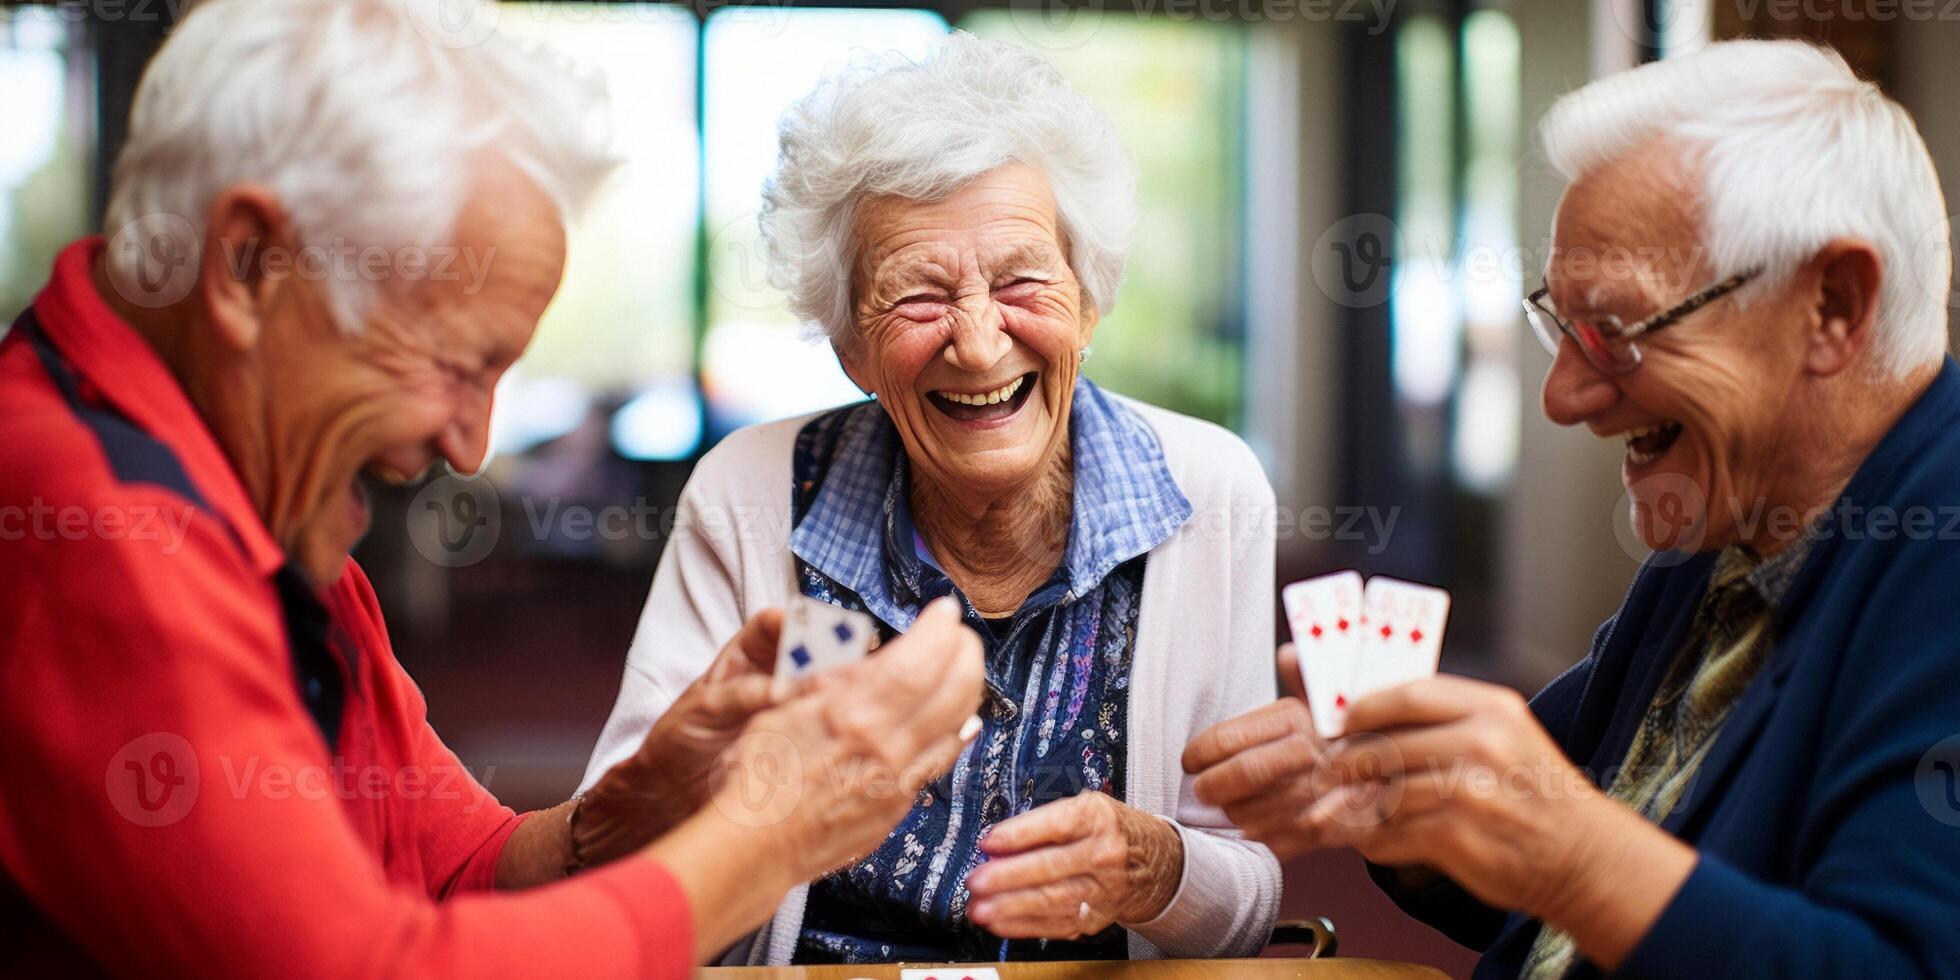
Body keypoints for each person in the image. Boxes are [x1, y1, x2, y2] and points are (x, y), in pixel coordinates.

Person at [0, 1, 984, 975]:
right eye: (457, 363)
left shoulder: (258, 495)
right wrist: (773, 830)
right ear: (251, 264)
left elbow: (457, 869)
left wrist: (643, 806)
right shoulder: (89, 523)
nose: (469, 446)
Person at [1184, 39, 1960, 980]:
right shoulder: (1727, 523)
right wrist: (1407, 809)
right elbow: (1524, 887)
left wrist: (1572, 846)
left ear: (1832, 305)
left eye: (1616, 331)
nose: (1561, 397)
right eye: (1558, 320)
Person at [580, 33, 1281, 966]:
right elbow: (617, 851)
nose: (981, 345)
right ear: (849, 347)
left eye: (1024, 278)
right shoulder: (749, 493)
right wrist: (759, 807)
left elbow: (1248, 907)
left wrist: (1159, 870)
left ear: (1089, 301)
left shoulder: (1211, 493)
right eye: (919, 296)